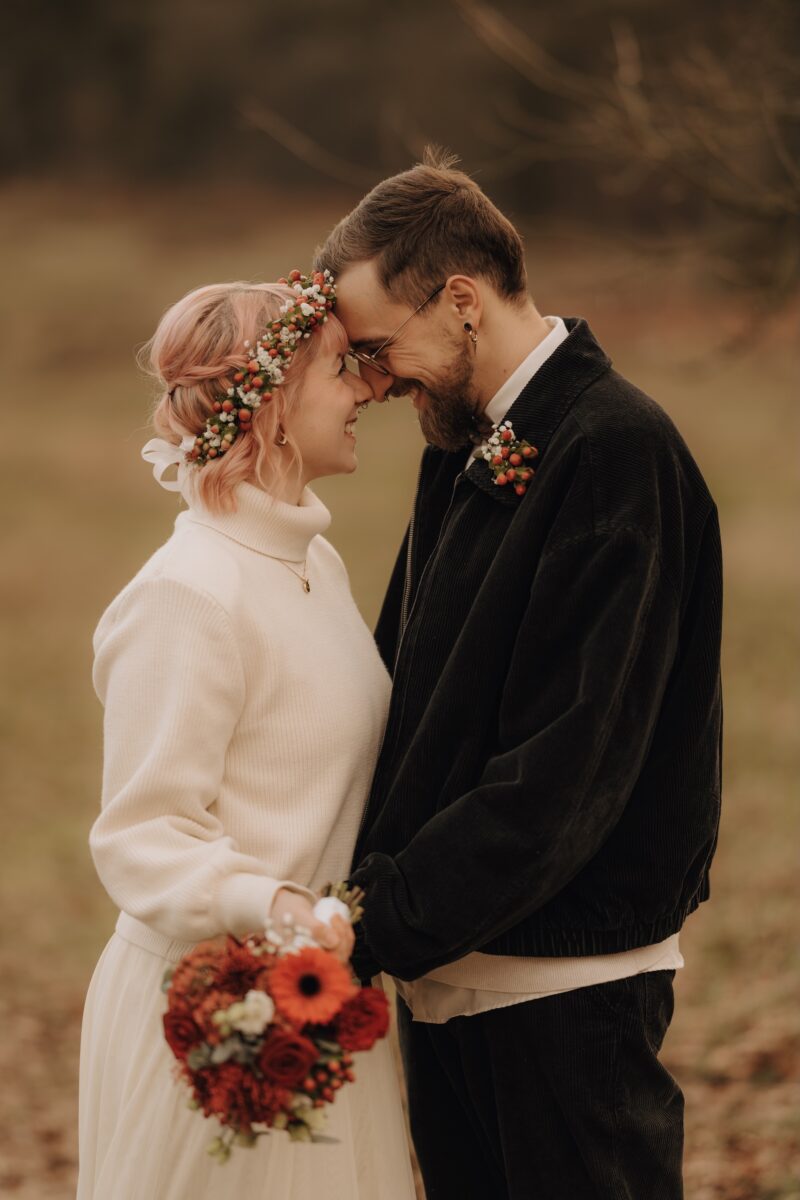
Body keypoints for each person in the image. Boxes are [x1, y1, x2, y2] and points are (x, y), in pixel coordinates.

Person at [314, 150, 723, 1200]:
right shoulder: (462, 446)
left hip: (561, 986)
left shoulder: (617, 450)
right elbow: (411, 692)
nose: (371, 380)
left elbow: (567, 768)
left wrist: (369, 922)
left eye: (376, 347)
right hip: (450, 971)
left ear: (459, 300)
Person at [77, 277, 417, 1199]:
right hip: (217, 1017)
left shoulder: (313, 559)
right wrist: (275, 906)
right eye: (340, 370)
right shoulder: (187, 594)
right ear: (274, 400)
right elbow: (142, 838)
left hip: (314, 1000)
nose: (365, 392)